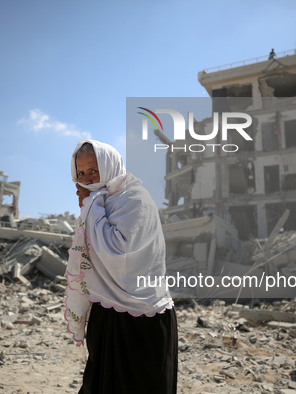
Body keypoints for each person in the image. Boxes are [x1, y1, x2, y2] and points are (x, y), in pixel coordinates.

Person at [64, 139, 178, 394]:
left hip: (143, 320)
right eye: (81, 173)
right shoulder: (102, 202)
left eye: (94, 170)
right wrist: (92, 207)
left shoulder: (134, 199)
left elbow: (119, 253)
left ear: (109, 165)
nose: (88, 179)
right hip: (107, 312)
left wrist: (90, 207)